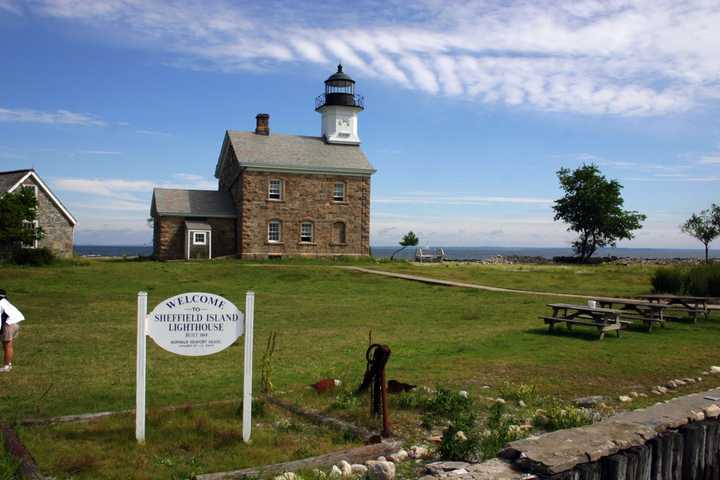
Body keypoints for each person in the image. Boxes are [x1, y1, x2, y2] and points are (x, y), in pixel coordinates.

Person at [0, 289, 25, 373]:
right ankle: (8, 364)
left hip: (10, 323)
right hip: (14, 321)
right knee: (6, 344)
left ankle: (7, 366)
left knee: (7, 345)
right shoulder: (4, 301)